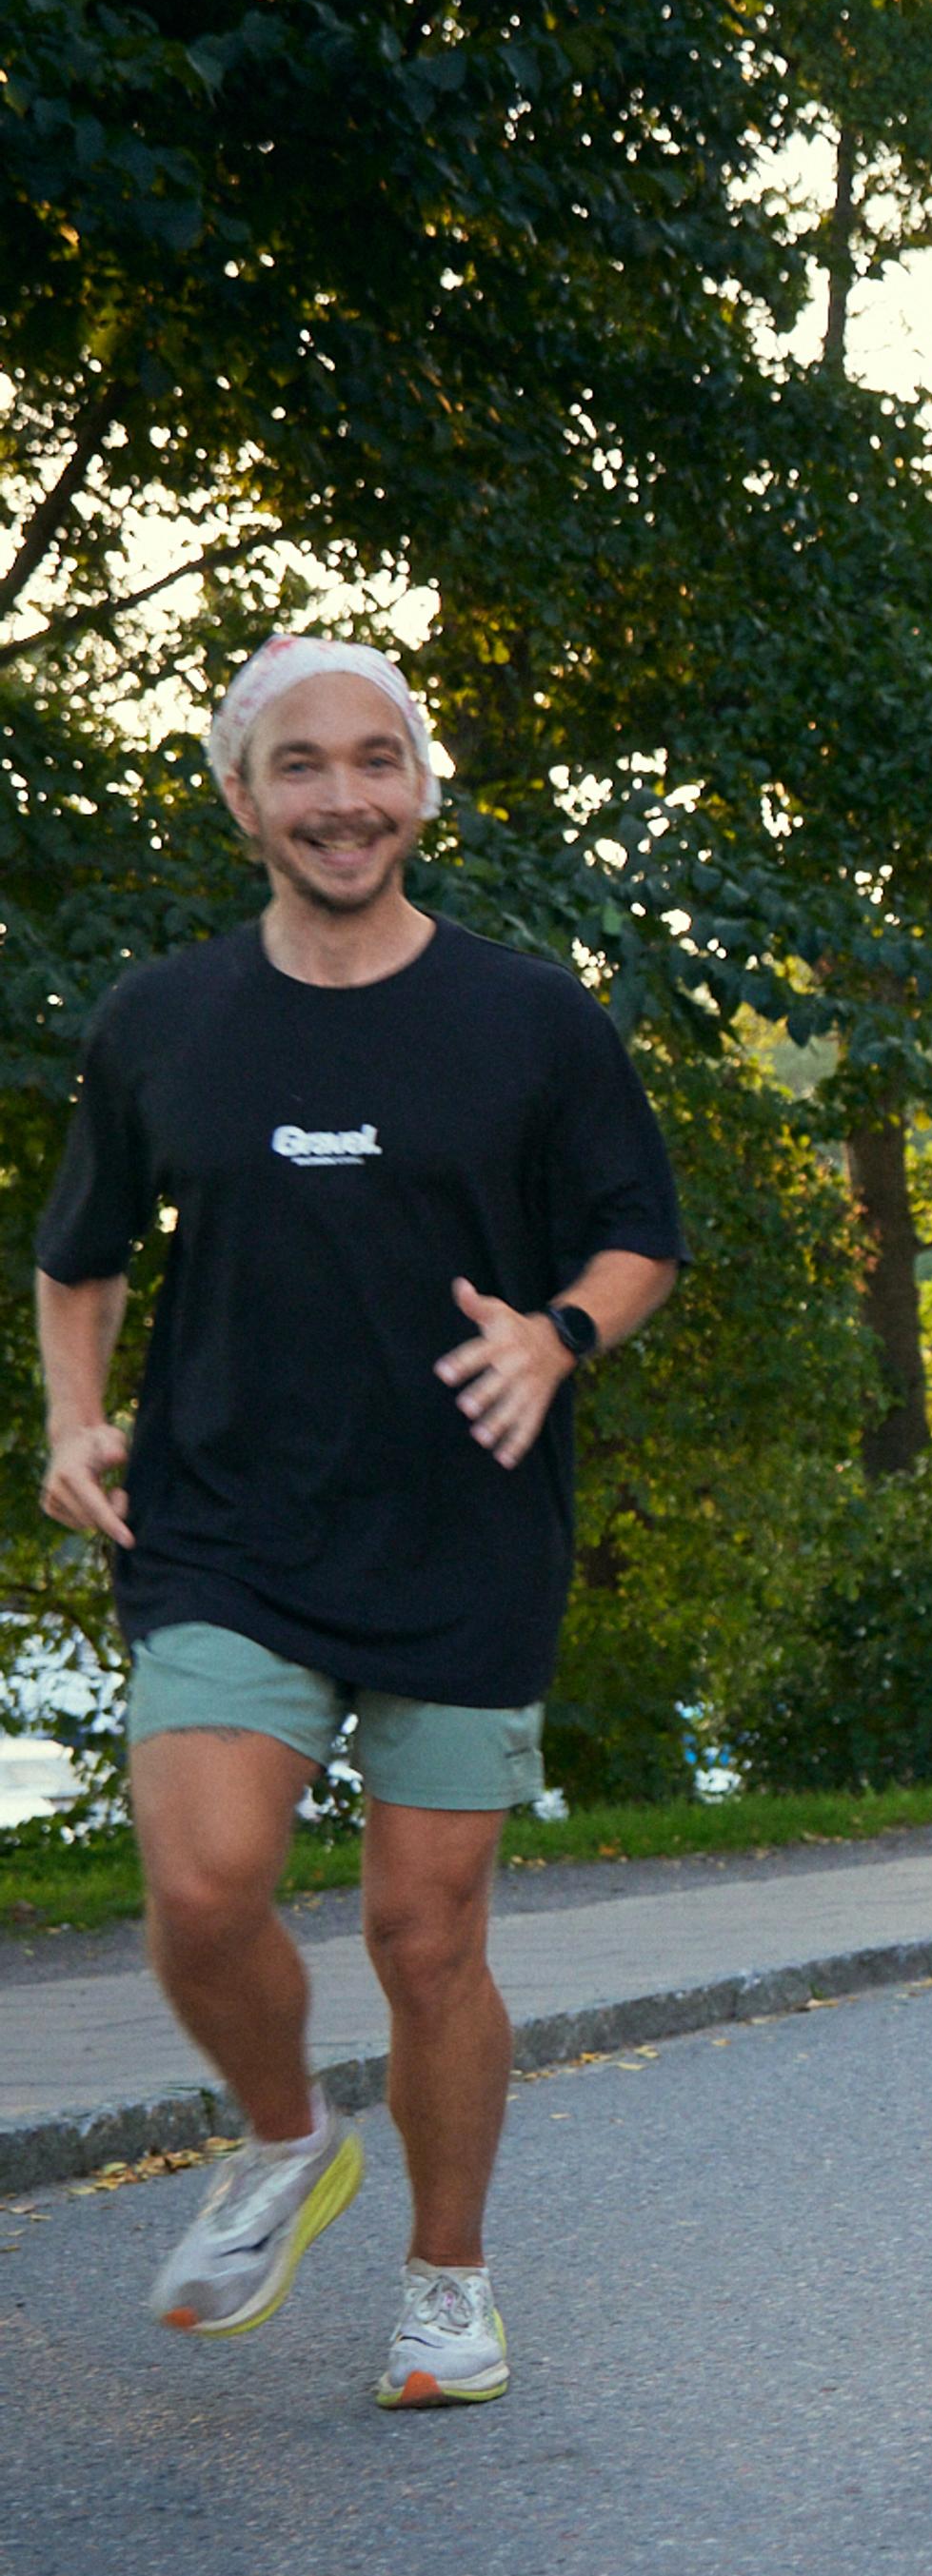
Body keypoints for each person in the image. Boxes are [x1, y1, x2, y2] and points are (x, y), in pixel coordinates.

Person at [32, 636, 685, 2410]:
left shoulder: (529, 1014)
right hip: (226, 1522)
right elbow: (78, 1255)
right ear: (244, 799)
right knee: (202, 1881)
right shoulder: (160, 1022)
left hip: (464, 1527)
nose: (345, 796)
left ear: (420, 790)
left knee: (426, 1936)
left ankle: (448, 2278)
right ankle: (281, 2134)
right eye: (303, 766)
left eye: (376, 760)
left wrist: (559, 1340)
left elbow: (640, 1237)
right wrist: (74, 1416)